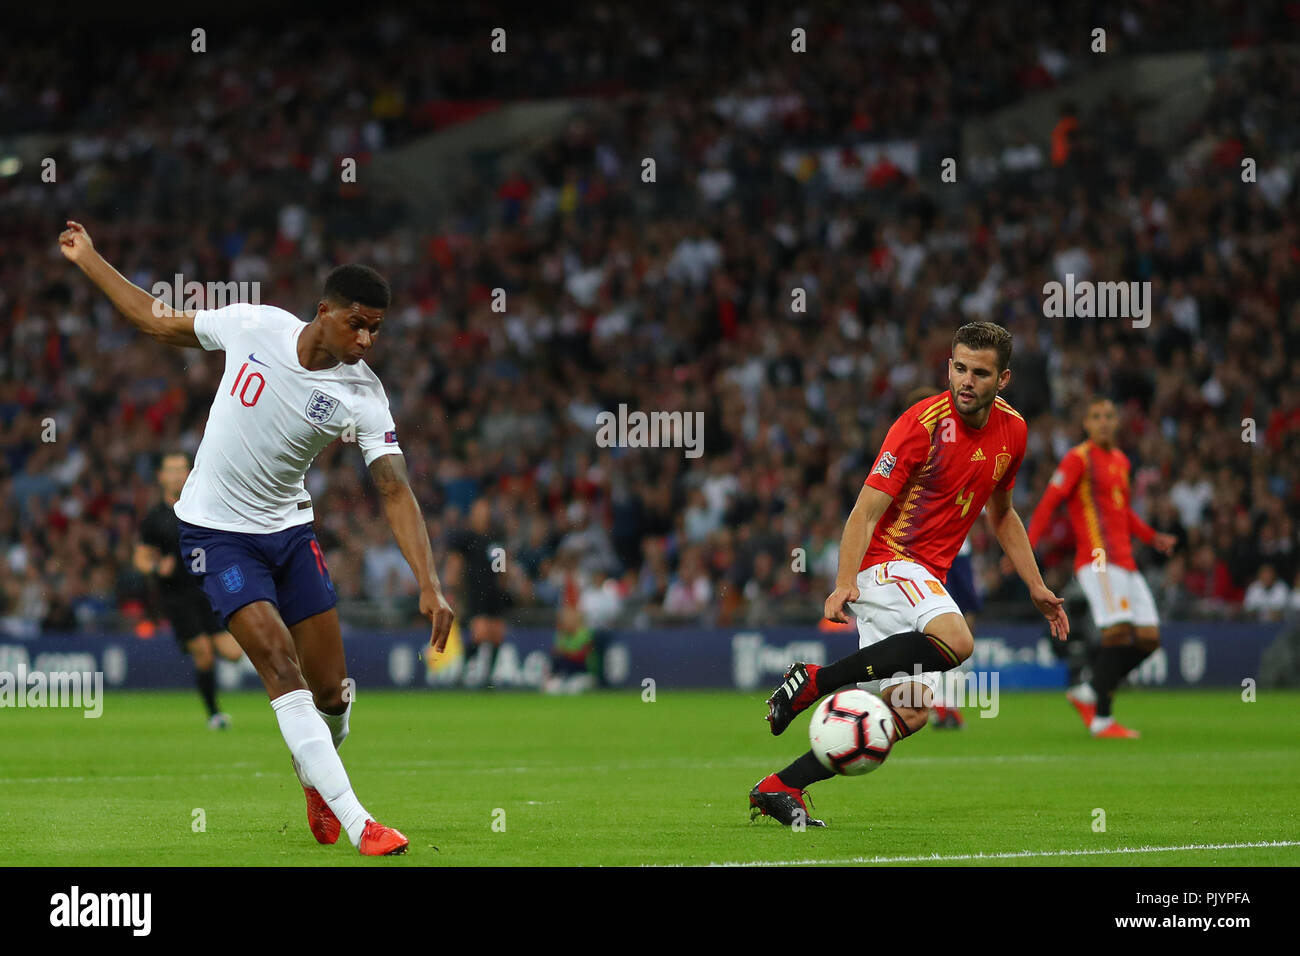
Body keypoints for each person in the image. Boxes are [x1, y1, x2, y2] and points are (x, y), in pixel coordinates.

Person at [60, 220, 454, 856]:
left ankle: (314, 783)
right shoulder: (253, 325)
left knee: (332, 694)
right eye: (357, 322)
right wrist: (91, 259)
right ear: (323, 311)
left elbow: (394, 489)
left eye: (376, 328)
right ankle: (360, 823)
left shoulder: (363, 395)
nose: (366, 338)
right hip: (216, 532)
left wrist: (430, 585)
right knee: (278, 663)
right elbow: (156, 321)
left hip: (290, 533)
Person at [750, 322, 1068, 827]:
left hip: (921, 578)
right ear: (949, 365)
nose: (966, 380)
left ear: (1002, 379)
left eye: (979, 373)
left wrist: (1036, 585)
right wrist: (844, 581)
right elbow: (865, 510)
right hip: (889, 562)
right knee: (957, 639)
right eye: (959, 367)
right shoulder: (920, 425)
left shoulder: (1015, 431)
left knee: (912, 714)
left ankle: (781, 784)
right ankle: (815, 681)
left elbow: (1002, 515)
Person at [1026, 397, 1176, 738]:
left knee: (1150, 638)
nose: (1105, 422)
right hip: (1098, 560)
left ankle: (1090, 690)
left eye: (1110, 415)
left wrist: (1153, 538)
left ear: (1117, 422)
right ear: (1086, 425)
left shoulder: (1121, 461)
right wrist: (1028, 545)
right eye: (1097, 417)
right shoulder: (1079, 458)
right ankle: (1102, 719)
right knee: (1118, 633)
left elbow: (1124, 512)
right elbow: (1050, 499)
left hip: (1126, 561)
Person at [135, 450, 243, 728]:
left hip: (208, 591)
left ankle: (192, 643)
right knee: (204, 652)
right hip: (177, 597)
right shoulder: (154, 519)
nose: (177, 475)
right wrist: (158, 569)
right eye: (170, 469)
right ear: (160, 476)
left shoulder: (202, 508)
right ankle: (214, 714)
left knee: (233, 653)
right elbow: (141, 558)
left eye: (182, 469)